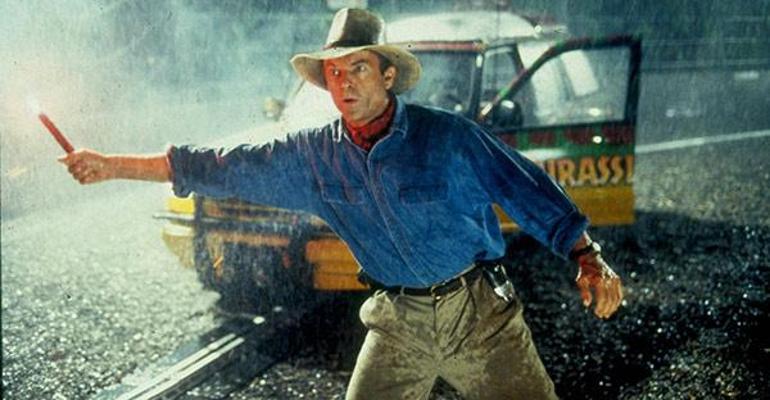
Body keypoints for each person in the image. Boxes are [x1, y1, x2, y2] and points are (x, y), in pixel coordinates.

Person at [59, 8, 623, 399]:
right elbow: (217, 165)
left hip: (479, 318)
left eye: (358, 67)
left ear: (388, 74)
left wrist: (587, 256)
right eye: (333, 72)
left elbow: (526, 187)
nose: (344, 83)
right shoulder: (313, 156)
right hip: (397, 324)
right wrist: (110, 165)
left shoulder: (447, 137)